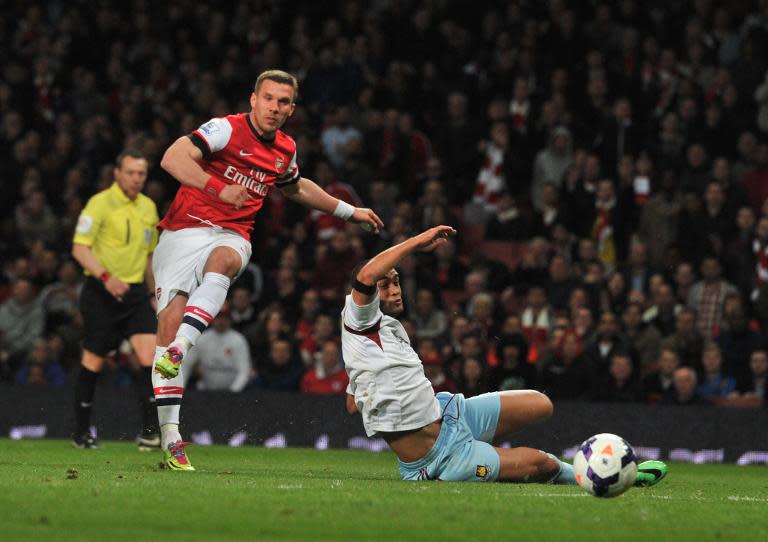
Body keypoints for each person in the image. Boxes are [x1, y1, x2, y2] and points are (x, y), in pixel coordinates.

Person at [151, 69, 384, 470]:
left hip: (232, 233)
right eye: (269, 99)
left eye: (283, 102)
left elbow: (295, 187)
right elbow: (173, 157)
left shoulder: (285, 149)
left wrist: (348, 211)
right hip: (182, 231)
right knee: (169, 321)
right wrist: (218, 188)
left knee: (224, 261)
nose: (275, 108)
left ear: (291, 109)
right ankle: (171, 437)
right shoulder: (225, 129)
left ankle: (180, 350)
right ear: (253, 100)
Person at [342, 225, 667, 486]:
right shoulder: (358, 318)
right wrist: (416, 241)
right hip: (439, 458)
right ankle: (603, 476)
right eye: (385, 285)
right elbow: (366, 276)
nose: (394, 288)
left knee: (541, 403)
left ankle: (492, 452)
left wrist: (365, 391)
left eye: (396, 281)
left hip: (452, 413)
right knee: (543, 464)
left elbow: (353, 401)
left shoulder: (388, 329)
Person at [70, 149, 160, 450]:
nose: (136, 179)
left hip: (135, 293)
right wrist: (107, 278)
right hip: (101, 291)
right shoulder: (100, 204)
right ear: (117, 173)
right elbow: (80, 248)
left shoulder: (148, 207)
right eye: (131, 173)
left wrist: (152, 293)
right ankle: (81, 433)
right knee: (94, 360)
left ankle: (150, 432)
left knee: (149, 358)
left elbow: (148, 257)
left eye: (142, 174)